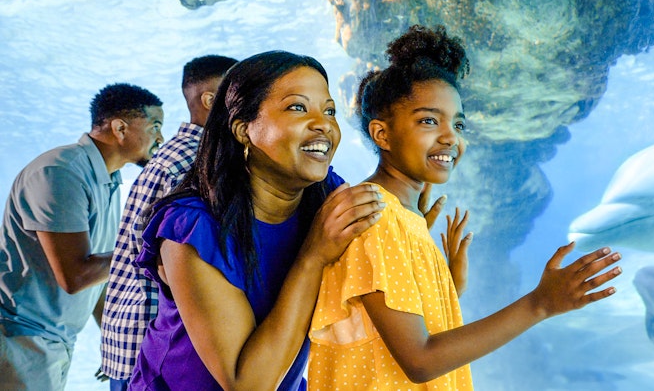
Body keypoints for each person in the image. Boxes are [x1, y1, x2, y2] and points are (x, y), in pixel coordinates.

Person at [308, 25, 623, 390]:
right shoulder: (375, 218)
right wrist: (540, 303)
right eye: (429, 120)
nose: (451, 137)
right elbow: (420, 361)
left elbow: (386, 331)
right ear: (382, 134)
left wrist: (449, 287)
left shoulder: (403, 217)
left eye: (458, 123)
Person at [128, 50, 388, 390]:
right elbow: (246, 384)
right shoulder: (191, 229)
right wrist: (312, 257)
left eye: (329, 110)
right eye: (297, 107)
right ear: (242, 129)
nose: (324, 124)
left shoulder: (324, 193)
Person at [1, 83, 164, 391]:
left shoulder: (109, 180)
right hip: (19, 341)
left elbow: (98, 274)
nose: (161, 139)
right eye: (155, 126)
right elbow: (76, 275)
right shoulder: (61, 172)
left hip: (51, 342)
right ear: (120, 128)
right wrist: (155, 250)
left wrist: (112, 341)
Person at [100, 55, 238, 391]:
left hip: (131, 337)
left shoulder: (176, 153)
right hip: (156, 343)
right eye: (244, 93)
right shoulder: (197, 160)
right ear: (211, 100)